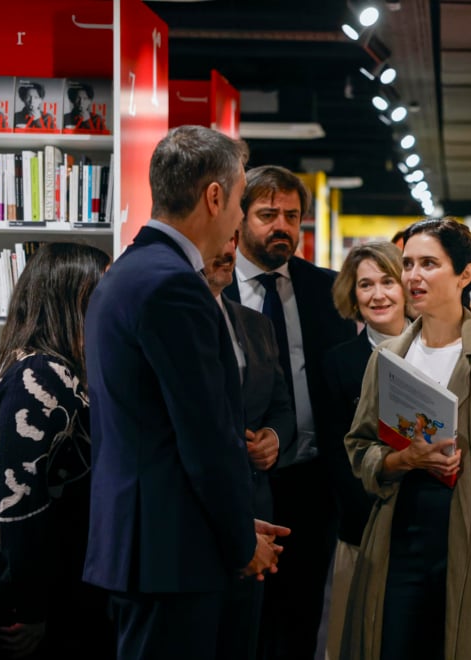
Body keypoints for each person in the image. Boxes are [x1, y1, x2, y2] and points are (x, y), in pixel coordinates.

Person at [82, 125, 289, 659]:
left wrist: (234, 526)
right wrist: (239, 540)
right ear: (214, 197)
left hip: (151, 547)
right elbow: (205, 437)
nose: (239, 218)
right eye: (240, 201)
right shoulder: (175, 285)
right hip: (172, 556)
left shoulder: (128, 271)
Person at [341, 217, 471, 660]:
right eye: (408, 263)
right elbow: (361, 448)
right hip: (402, 536)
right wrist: (406, 459)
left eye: (429, 264)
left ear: (465, 275)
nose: (413, 276)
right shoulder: (389, 356)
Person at [224, 164, 357, 659]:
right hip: (239, 485)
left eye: (292, 216)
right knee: (244, 623)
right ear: (240, 218)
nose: (282, 226)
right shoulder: (211, 288)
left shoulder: (329, 291)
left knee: (302, 618)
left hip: (312, 483)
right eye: (268, 214)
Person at [0, 243, 113, 659]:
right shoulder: (41, 374)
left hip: (60, 588)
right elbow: (14, 499)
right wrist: (31, 608)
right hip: (49, 599)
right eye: (101, 292)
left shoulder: (51, 368)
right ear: (72, 297)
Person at [204, 230, 297, 660]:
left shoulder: (257, 324)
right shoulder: (176, 323)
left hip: (256, 502)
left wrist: (272, 438)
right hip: (198, 513)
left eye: (232, 242)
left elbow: (282, 405)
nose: (226, 250)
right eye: (217, 241)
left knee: (244, 638)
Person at [320, 241, 409, 660]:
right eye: (365, 285)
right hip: (362, 529)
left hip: (429, 528)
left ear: (406, 287)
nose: (378, 295)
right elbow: (335, 456)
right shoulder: (337, 364)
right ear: (352, 296)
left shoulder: (439, 352)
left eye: (388, 281)